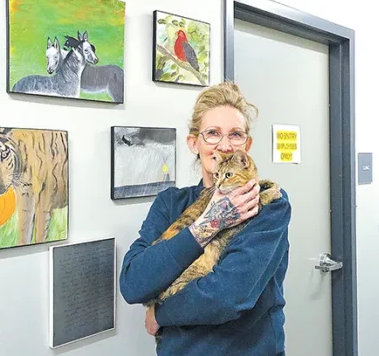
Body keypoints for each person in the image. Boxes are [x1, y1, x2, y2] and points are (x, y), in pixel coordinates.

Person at [119, 81, 292, 356]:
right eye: (212, 133)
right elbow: (133, 283)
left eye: (235, 135)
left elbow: (228, 297)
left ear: (247, 145)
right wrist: (208, 223)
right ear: (194, 143)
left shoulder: (268, 206)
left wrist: (160, 314)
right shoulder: (171, 203)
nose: (224, 145)